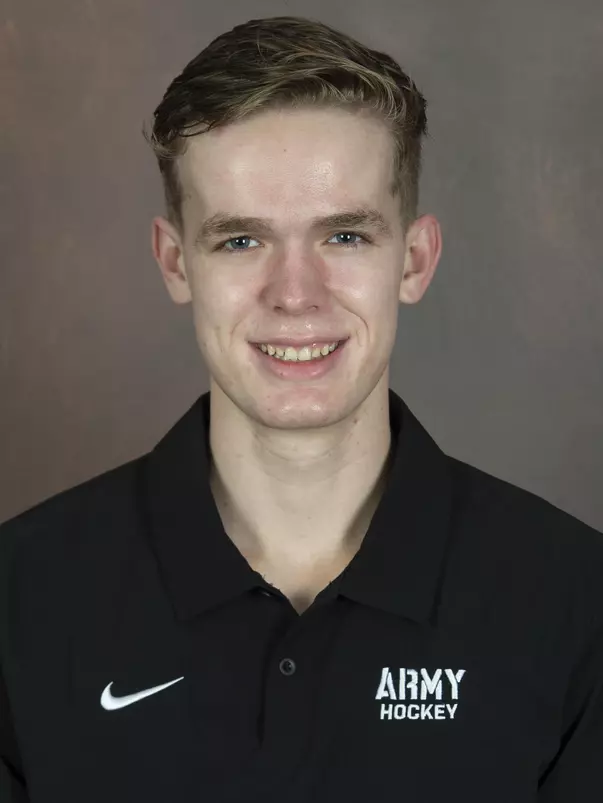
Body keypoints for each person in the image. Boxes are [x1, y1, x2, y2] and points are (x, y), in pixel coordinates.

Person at [1, 14, 602, 803]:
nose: (294, 295)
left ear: (414, 260)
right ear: (176, 261)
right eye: (240, 241)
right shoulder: (21, 599)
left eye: (344, 236)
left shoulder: (573, 601)